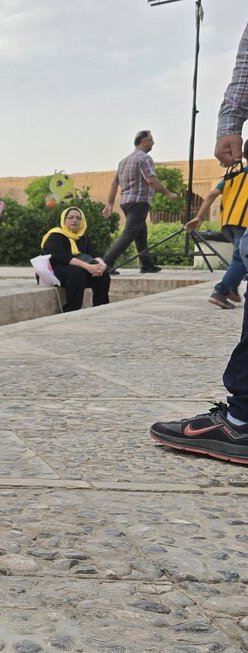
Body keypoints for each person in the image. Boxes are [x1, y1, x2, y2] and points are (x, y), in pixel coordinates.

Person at [150, 19, 248, 465]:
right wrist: (199, 214)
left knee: (244, 259)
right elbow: (210, 193)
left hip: (240, 227)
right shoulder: (237, 173)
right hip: (237, 224)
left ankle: (241, 420)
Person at [101, 131, 177, 274]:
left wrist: (110, 203)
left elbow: (114, 184)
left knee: (141, 233)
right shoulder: (144, 158)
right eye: (151, 140)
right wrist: (168, 193)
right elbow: (151, 180)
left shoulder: (123, 161)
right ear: (144, 142)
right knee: (129, 234)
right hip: (138, 202)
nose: (153, 142)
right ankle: (106, 264)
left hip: (126, 202)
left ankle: (147, 265)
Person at [184, 145, 248, 309]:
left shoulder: (234, 174)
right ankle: (221, 292)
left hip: (227, 223)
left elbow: (212, 194)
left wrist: (199, 216)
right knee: (241, 259)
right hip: (244, 223)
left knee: (239, 257)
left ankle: (232, 288)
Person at [41, 207, 111, 312]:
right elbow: (65, 258)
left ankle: (100, 308)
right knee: (76, 273)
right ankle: (72, 310)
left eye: (78, 218)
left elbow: (93, 255)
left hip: (79, 269)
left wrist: (102, 266)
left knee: (103, 275)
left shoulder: (82, 236)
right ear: (64, 220)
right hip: (55, 270)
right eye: (71, 217)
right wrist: (88, 267)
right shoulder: (55, 235)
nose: (74, 220)